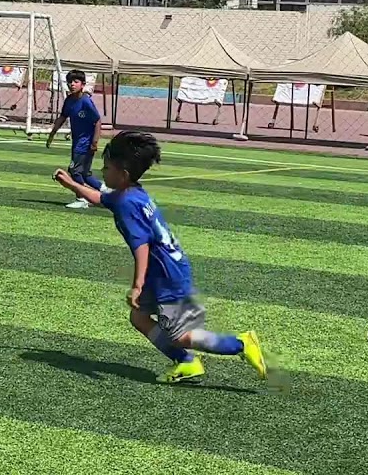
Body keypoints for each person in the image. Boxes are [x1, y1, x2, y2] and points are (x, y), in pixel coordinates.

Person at [54, 131, 267, 384]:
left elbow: (141, 247)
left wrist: (137, 286)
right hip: (164, 270)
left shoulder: (126, 204)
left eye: (106, 168)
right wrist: (72, 185)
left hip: (166, 275)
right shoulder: (131, 193)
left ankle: (240, 343)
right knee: (140, 317)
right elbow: (100, 198)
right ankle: (187, 363)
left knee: (179, 336)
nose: (103, 172)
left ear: (122, 175)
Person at [45, 70, 107, 209]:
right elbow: (62, 117)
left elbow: (97, 121)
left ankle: (82, 199)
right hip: (77, 142)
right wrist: (52, 133)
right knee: (84, 174)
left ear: (83, 84)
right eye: (70, 82)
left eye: (76, 82)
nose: (72, 84)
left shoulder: (86, 101)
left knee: (74, 171)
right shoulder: (69, 100)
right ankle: (106, 191)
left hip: (85, 143)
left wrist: (94, 142)